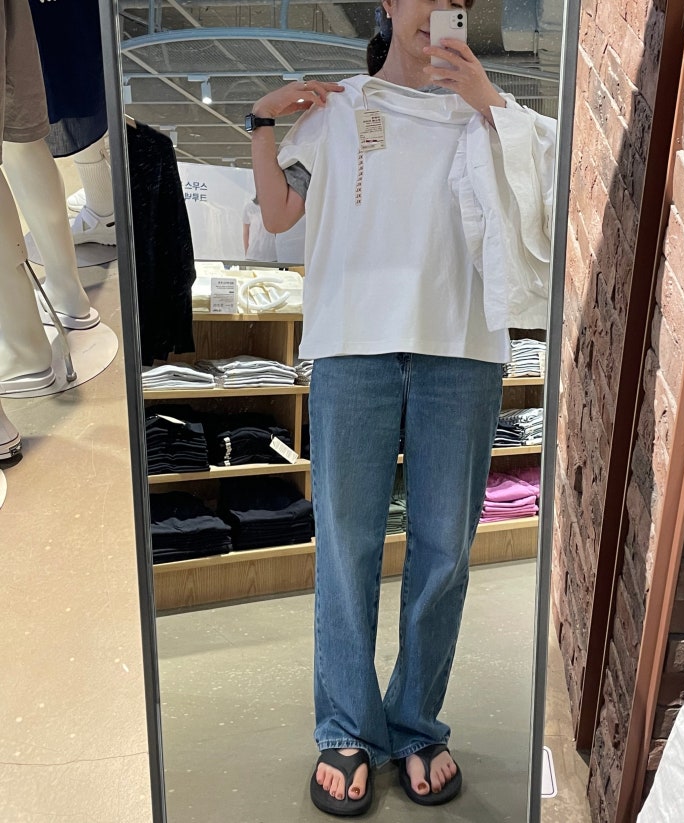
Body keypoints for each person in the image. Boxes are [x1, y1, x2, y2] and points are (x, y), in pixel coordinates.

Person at [250, 0, 554, 815]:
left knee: (445, 548)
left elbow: (547, 202)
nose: (438, 10)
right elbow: (279, 215)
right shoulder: (337, 109)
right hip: (353, 343)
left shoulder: (492, 114)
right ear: (388, 2)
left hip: (464, 346)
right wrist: (261, 124)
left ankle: (415, 721)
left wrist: (491, 107)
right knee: (345, 544)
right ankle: (348, 726)